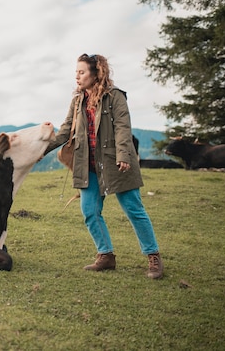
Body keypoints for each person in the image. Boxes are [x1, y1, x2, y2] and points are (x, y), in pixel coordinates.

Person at [45, 53, 163, 279]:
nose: (77, 77)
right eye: (76, 73)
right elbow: (64, 131)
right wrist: (41, 150)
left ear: (95, 73)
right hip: (87, 166)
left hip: (115, 164)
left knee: (134, 210)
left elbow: (122, 128)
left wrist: (124, 156)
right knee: (90, 212)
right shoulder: (78, 100)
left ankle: (153, 256)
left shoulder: (115, 97)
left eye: (81, 72)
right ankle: (106, 255)